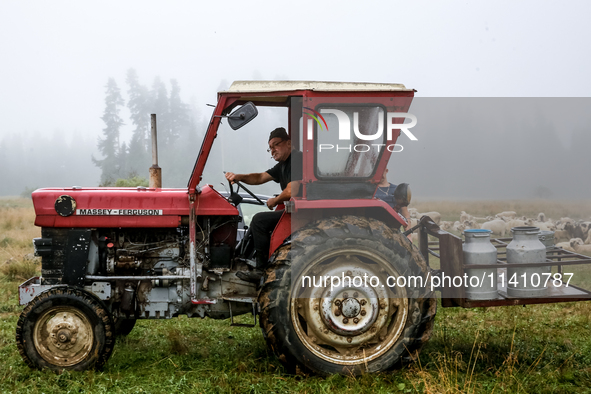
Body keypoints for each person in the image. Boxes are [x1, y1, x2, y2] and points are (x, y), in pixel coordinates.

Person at [225, 127, 302, 283]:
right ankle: (240, 259)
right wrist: (238, 176)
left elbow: (292, 190)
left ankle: (262, 270)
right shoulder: (282, 165)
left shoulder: (297, 159)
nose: (272, 150)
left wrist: (275, 200)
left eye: (276, 145)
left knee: (259, 220)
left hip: (301, 212)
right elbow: (260, 177)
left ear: (289, 143)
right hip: (293, 209)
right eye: (270, 148)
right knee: (257, 221)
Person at [375, 168, 412, 233]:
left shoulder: (396, 189)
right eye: (376, 171)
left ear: (386, 170)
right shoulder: (371, 190)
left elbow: (405, 213)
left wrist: (408, 235)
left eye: (380, 171)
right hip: (376, 228)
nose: (379, 174)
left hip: (394, 230)